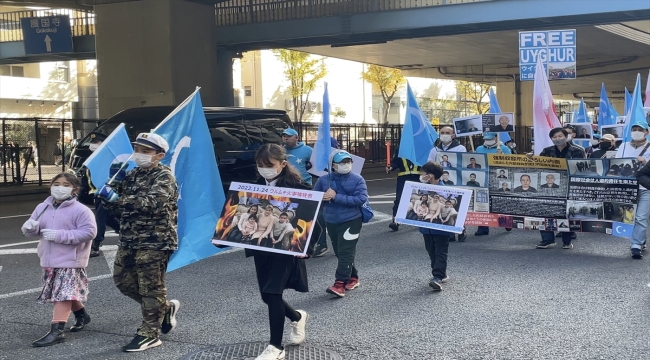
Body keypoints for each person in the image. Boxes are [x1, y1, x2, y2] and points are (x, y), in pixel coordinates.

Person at [97, 133, 181, 352]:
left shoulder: (164, 177)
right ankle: (164, 308)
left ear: (159, 155)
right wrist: (107, 195)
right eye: (137, 149)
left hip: (156, 240)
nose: (139, 155)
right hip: (129, 238)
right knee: (122, 281)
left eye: (146, 151)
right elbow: (119, 209)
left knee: (151, 286)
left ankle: (149, 333)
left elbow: (152, 203)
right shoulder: (131, 175)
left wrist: (117, 198)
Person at [247, 143, 310, 360]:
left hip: (285, 249)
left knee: (273, 293)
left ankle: (275, 347)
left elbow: (312, 223)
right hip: (262, 248)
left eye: (269, 165)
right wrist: (223, 237)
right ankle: (296, 316)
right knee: (267, 295)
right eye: (260, 165)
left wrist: (305, 247)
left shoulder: (298, 188)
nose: (264, 169)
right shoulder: (252, 188)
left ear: (283, 164)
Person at [21, 173, 97, 347]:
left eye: (65, 184)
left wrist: (60, 236)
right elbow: (34, 229)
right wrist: (28, 228)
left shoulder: (81, 210)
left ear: (75, 190)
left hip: (71, 260)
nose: (59, 187)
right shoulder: (43, 207)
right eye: (56, 184)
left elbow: (89, 232)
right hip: (48, 259)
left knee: (62, 294)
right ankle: (82, 315)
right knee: (63, 293)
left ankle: (57, 331)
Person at [314, 150, 368, 298]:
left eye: (348, 161)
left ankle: (339, 284)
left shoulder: (358, 179)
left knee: (345, 250)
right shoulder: (324, 180)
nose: (346, 165)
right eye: (342, 162)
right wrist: (322, 197)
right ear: (333, 165)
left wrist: (336, 196)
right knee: (339, 251)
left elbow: (360, 199)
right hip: (331, 220)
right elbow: (315, 198)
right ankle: (353, 277)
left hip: (351, 220)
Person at [536, 127, 586, 250]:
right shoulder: (546, 151)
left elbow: (584, 168)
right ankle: (547, 239)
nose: (557, 139)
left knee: (567, 212)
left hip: (569, 185)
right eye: (554, 137)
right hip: (550, 186)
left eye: (560, 136)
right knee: (546, 210)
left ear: (566, 136)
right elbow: (539, 167)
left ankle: (567, 240)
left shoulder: (578, 151)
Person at [417, 162, 456, 291]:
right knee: (431, 250)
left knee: (441, 250)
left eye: (423, 173)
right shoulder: (421, 188)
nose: (421, 176)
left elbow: (453, 203)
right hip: (426, 226)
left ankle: (437, 277)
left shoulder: (447, 190)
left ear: (430, 175)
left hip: (441, 226)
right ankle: (441, 273)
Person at [615, 122, 650, 259]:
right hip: (626, 188)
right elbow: (616, 165)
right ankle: (640, 239)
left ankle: (636, 245)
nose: (636, 132)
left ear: (646, 132)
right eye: (634, 129)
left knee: (641, 217)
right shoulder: (623, 146)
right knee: (628, 216)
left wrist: (645, 162)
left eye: (639, 130)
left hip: (645, 187)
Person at [85, 132, 121, 258]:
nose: (93, 145)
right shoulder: (93, 158)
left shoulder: (108, 159)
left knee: (99, 219)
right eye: (92, 143)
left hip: (106, 193)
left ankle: (95, 246)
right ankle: (124, 231)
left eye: (96, 143)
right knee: (108, 218)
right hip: (97, 193)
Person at [474, 132, 511, 235]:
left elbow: (510, 164)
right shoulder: (479, 149)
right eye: (486, 138)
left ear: (496, 137)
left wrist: (502, 156)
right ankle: (483, 227)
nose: (487, 140)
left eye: (490, 138)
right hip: (483, 178)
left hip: (499, 178)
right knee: (482, 202)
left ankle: (506, 221)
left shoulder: (504, 149)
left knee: (501, 201)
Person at [386, 149, 420, 232]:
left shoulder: (421, 147)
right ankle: (395, 221)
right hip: (403, 178)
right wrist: (391, 167)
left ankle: (420, 219)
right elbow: (396, 161)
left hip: (418, 178)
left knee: (418, 199)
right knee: (399, 199)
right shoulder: (401, 148)